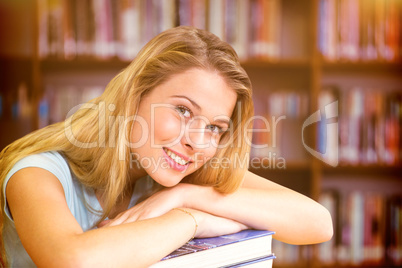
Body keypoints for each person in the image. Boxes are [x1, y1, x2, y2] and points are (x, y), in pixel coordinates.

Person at [0, 26, 332, 267]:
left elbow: (319, 223)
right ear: (135, 97)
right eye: (183, 110)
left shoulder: (184, 173)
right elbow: (73, 261)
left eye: (215, 127)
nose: (196, 141)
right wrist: (193, 220)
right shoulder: (37, 172)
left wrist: (187, 197)